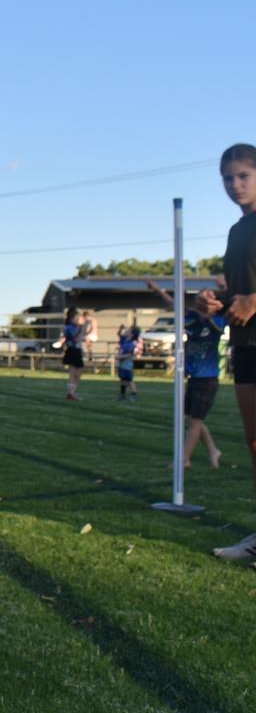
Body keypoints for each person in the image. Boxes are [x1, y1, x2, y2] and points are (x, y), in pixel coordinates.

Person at [197, 144, 256, 562]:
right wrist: (215, 301)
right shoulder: (238, 231)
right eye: (228, 178)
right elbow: (240, 293)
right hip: (246, 344)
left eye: (243, 176)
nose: (235, 185)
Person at [149, 281, 224, 467]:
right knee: (193, 419)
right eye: (203, 293)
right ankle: (213, 450)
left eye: (210, 294)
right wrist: (159, 289)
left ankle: (184, 458)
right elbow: (173, 304)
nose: (206, 295)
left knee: (196, 420)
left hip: (207, 378)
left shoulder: (218, 320)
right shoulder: (191, 318)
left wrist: (224, 287)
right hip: (194, 377)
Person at [59, 308, 86, 400]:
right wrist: (82, 328)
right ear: (72, 318)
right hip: (72, 350)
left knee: (77, 372)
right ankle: (71, 393)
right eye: (77, 317)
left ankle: (72, 392)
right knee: (73, 372)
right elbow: (76, 339)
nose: (79, 319)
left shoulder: (76, 327)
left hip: (76, 350)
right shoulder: (70, 327)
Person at [114, 325, 141, 402]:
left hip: (127, 364)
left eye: (128, 330)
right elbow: (119, 334)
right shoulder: (124, 339)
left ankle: (134, 393)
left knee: (129, 380)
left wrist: (120, 357)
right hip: (122, 364)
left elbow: (129, 354)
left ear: (131, 334)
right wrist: (120, 328)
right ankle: (122, 394)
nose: (126, 331)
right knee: (122, 379)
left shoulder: (131, 343)